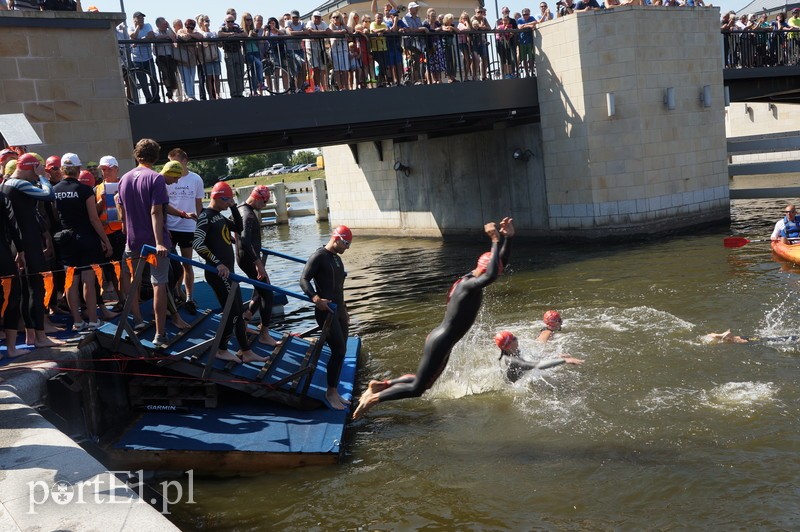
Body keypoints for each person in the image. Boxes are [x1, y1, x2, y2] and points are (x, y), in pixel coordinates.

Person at [353, 218, 515, 419]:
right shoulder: (469, 286)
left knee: (424, 382)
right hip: (442, 340)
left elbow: (496, 266)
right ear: (484, 269)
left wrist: (507, 238)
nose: (496, 275)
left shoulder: (469, 279)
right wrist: (494, 239)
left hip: (441, 338)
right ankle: (373, 399)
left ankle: (380, 386)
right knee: (417, 389)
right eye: (495, 270)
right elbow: (491, 274)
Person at [193, 181, 268, 364]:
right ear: (218, 198)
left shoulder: (219, 216)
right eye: (227, 201)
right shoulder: (206, 217)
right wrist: (217, 263)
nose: (229, 204)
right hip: (219, 274)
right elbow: (197, 243)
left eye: (231, 201)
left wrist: (234, 207)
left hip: (228, 273)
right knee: (233, 313)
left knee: (238, 311)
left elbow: (238, 228)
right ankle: (221, 349)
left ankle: (246, 351)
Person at [117, 138, 176, 345]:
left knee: (133, 281)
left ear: (137, 154)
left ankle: (139, 321)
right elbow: (156, 211)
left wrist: (126, 228)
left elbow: (121, 209)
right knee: (159, 283)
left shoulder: (123, 179)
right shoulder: (156, 179)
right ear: (156, 156)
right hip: (153, 242)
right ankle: (160, 334)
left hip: (132, 242)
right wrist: (159, 241)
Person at [2, 153, 63, 347]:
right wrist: (43, 177)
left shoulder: (5, 184)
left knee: (27, 291)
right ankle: (40, 336)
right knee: (36, 289)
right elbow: (48, 194)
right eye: (37, 169)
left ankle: (32, 336)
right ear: (32, 167)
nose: (38, 174)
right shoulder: (18, 183)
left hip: (18, 244)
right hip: (29, 243)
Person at [53, 155, 113, 331]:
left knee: (71, 281)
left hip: (66, 238)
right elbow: (94, 219)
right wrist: (106, 240)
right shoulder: (86, 190)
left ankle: (77, 321)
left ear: (62, 169)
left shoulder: (54, 190)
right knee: (88, 279)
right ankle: (93, 320)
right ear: (79, 170)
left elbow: (56, 217)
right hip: (86, 238)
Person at [299, 225, 355, 410]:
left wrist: (345, 311)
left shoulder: (337, 260)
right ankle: (330, 392)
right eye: (345, 243)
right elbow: (304, 279)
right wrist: (316, 299)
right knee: (338, 351)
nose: (347, 247)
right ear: (336, 238)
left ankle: (334, 390)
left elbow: (339, 289)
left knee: (342, 351)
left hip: (339, 311)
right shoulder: (319, 256)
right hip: (326, 312)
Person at [236, 186, 278, 346]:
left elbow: (239, 237)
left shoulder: (241, 209)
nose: (266, 205)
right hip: (249, 259)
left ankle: (245, 322)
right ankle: (264, 334)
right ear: (258, 198)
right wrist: (258, 263)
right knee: (268, 294)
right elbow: (246, 241)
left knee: (260, 292)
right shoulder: (248, 215)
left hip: (243, 257)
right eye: (266, 202)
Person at [166, 148, 204, 313]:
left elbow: (199, 204)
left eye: (175, 162)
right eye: (170, 162)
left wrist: (202, 225)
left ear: (184, 161)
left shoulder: (195, 179)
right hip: (170, 226)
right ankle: (175, 291)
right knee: (170, 264)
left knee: (187, 263)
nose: (172, 165)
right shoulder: (168, 178)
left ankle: (189, 297)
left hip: (189, 227)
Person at [494, 330, 583, 383]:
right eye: (514, 338)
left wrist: (557, 356)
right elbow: (539, 365)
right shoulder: (512, 361)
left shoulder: (513, 351)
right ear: (509, 345)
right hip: (514, 386)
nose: (517, 338)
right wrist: (564, 360)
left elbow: (535, 357)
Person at [0, 187, 27, 358]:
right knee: (11, 297)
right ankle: (11, 348)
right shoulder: (2, 198)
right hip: (2, 255)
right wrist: (21, 251)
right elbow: (13, 225)